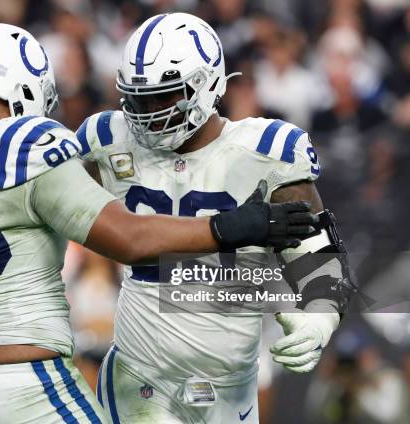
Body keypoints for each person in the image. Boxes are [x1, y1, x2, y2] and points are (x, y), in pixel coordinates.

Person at [0, 23, 315, 424]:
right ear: (27, 90)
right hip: (30, 384)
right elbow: (130, 239)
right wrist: (231, 228)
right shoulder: (28, 146)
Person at [77, 13, 353, 424]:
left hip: (232, 384)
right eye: (139, 97)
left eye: (165, 96)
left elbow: (318, 252)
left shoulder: (267, 149)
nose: (148, 111)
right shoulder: (105, 139)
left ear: (206, 85)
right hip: (141, 373)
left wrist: (320, 318)